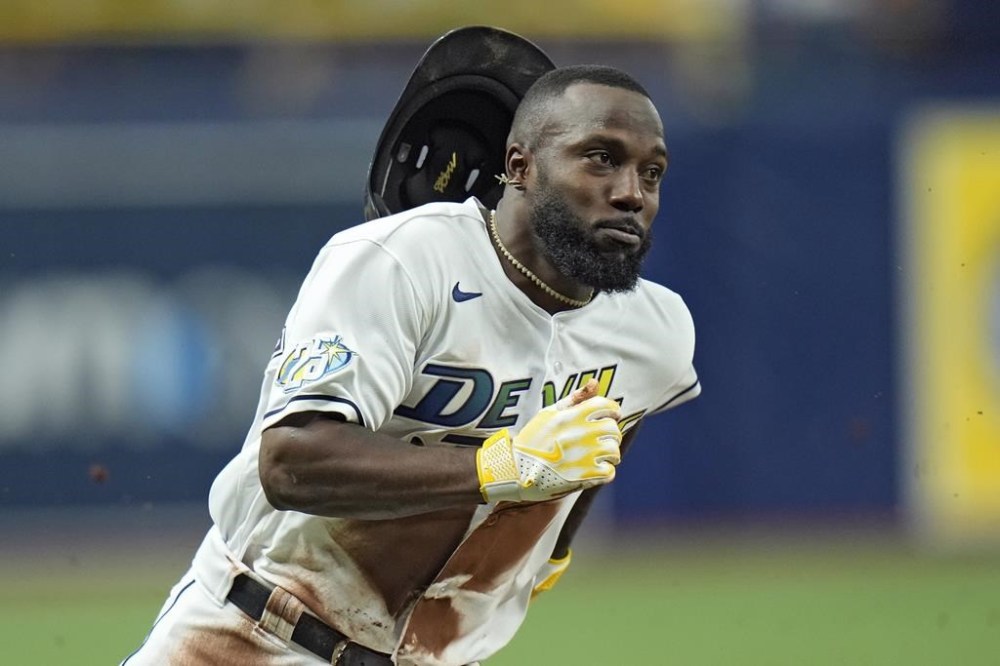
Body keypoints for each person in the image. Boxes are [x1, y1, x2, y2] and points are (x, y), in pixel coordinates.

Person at [122, 63, 700, 666]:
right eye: (601, 158)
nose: (632, 192)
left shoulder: (654, 332)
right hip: (254, 636)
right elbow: (291, 461)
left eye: (651, 172)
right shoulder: (402, 261)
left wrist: (557, 544)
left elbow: (612, 426)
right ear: (521, 167)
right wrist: (506, 464)